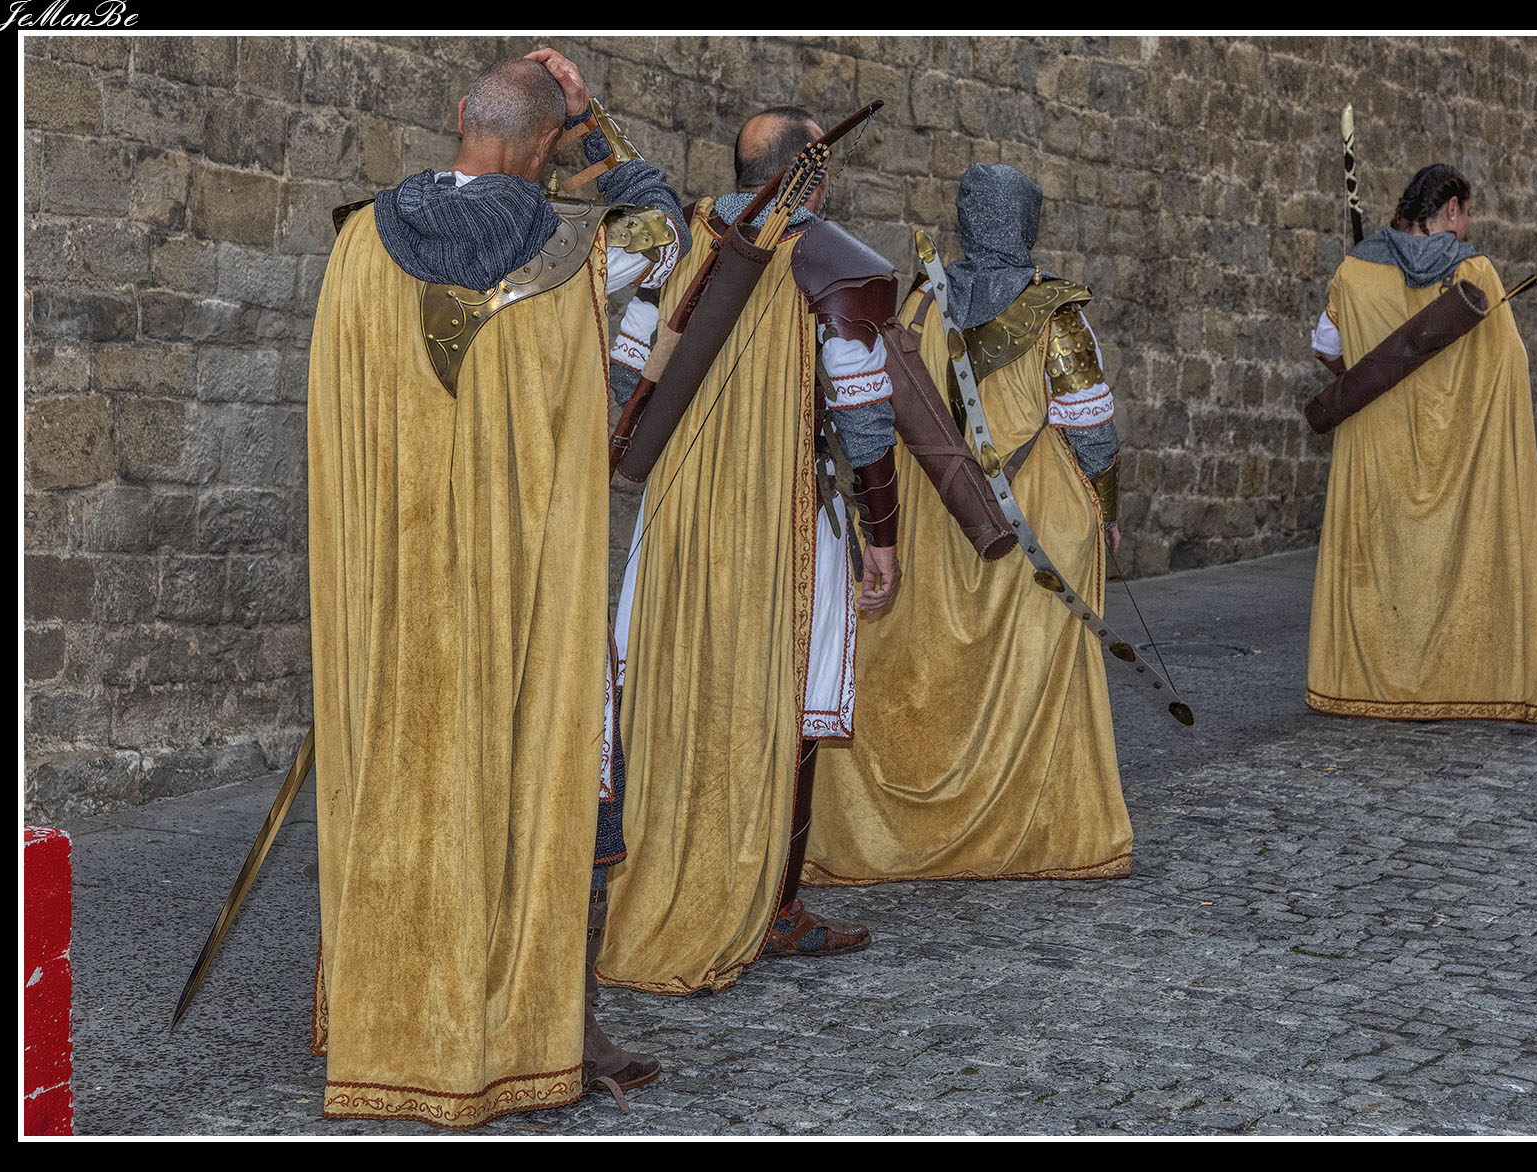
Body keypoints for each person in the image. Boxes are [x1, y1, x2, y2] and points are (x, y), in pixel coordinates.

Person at [305, 49, 687, 1127]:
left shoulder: (358, 244)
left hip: (395, 581)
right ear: (547, 146)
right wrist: (595, 122)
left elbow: (340, 419)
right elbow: (670, 228)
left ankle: (386, 1019)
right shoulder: (579, 250)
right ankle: (536, 1029)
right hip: (523, 582)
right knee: (544, 772)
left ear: (455, 116)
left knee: (397, 774)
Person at [598, 105, 904, 995]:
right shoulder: (825, 258)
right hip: (782, 519)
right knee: (788, 692)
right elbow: (863, 415)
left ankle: (661, 881)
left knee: (670, 685)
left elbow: (623, 380)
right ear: (814, 174)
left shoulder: (676, 244)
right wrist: (882, 535)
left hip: (677, 516)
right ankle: (773, 906)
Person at [803, 162, 1135, 885]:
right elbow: (1090, 426)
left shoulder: (920, 302)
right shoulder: (1055, 314)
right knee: (1030, 687)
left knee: (932, 673)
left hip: (935, 511)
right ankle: (1034, 832)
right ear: (1025, 221)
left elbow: (879, 401)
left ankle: (908, 831)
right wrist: (1107, 510)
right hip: (1037, 523)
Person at [1305, 163, 1537, 724]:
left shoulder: (1355, 270)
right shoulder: (1476, 273)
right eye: (1467, 216)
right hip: (1457, 450)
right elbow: (1509, 363)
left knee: (1382, 565)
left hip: (1377, 445)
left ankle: (1367, 685)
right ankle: (1462, 683)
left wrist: (1366, 372)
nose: (1467, 229)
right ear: (1451, 208)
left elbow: (1325, 348)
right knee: (1447, 565)